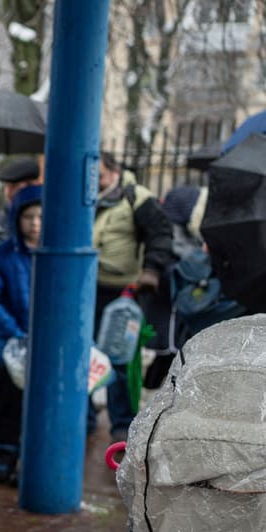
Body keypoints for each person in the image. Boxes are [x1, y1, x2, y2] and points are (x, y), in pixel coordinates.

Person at [92, 151, 174, 441]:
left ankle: (122, 425)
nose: (96, 181)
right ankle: (86, 418)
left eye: (101, 175)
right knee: (86, 354)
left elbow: (161, 233)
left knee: (120, 358)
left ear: (115, 172)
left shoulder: (136, 197)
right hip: (87, 286)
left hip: (123, 292)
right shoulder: (86, 197)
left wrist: (151, 269)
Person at [0, 185, 42, 486]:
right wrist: (15, 333)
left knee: (37, 410)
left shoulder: (55, 256)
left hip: (45, 350)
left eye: (41, 217)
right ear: (17, 218)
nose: (35, 223)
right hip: (9, 348)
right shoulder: (1, 255)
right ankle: (4, 461)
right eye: (28, 217)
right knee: (5, 407)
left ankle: (31, 464)